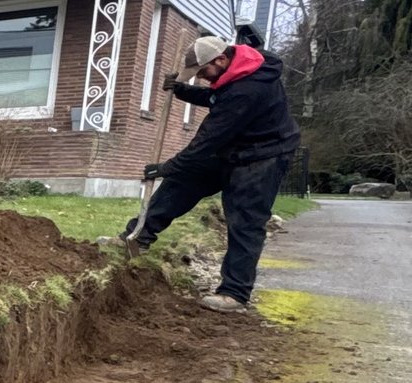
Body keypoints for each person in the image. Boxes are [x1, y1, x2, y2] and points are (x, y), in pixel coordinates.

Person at [126, 33, 300, 311]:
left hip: (264, 155)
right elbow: (219, 97)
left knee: (245, 219)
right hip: (234, 146)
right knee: (182, 183)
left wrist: (165, 167)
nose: (202, 77)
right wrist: (183, 91)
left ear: (220, 59)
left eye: (203, 71)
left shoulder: (249, 89)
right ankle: (137, 238)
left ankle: (234, 293)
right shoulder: (243, 68)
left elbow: (207, 139)